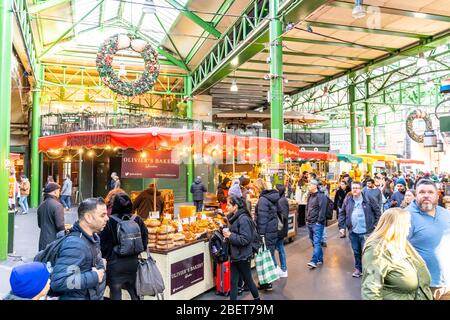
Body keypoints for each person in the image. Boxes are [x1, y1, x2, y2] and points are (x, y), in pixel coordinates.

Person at [361, 208, 433, 300]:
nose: (410, 226)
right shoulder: (377, 250)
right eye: (407, 223)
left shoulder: (401, 243)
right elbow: (370, 290)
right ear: (396, 226)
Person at [50, 197, 108, 300]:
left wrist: (99, 264)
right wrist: (94, 276)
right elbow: (59, 281)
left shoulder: (92, 238)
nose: (107, 218)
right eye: (103, 215)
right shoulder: (76, 244)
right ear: (88, 217)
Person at [407, 179, 450, 300]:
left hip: (447, 283)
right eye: (422, 192)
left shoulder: (445, 214)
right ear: (416, 195)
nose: (426, 195)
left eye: (430, 192)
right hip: (423, 286)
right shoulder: (406, 216)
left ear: (437, 196)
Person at [100, 192, 148, 300]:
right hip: (133, 262)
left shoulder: (110, 220)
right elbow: (144, 241)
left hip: (115, 264)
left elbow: (104, 244)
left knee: (116, 291)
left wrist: (108, 257)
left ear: (115, 205)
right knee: (134, 290)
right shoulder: (137, 219)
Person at [338, 181, 381, 278]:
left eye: (357, 188)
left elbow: (378, 212)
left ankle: (369, 270)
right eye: (353, 187)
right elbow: (342, 213)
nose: (355, 189)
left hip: (367, 232)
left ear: (361, 189)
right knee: (356, 251)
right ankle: (358, 269)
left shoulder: (369, 199)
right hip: (353, 232)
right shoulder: (348, 200)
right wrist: (342, 227)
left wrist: (375, 225)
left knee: (366, 252)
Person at [222, 195, 260, 301]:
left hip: (243, 256)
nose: (227, 207)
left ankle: (257, 299)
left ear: (235, 206)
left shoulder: (243, 219)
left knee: (248, 280)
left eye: (229, 205)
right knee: (233, 282)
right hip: (235, 254)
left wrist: (230, 235)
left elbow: (245, 239)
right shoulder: (234, 217)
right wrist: (227, 236)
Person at [255, 182, 280, 290]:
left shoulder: (262, 200)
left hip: (266, 232)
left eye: (254, 188)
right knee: (269, 254)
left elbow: (262, 218)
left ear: (258, 188)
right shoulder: (271, 198)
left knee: (265, 256)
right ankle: (266, 281)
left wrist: (261, 234)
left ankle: (267, 282)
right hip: (272, 230)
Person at [305, 179, 327, 269]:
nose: (308, 186)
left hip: (317, 224)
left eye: (310, 185)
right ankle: (320, 259)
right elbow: (308, 208)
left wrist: (319, 221)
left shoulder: (321, 196)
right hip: (310, 222)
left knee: (317, 242)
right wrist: (307, 219)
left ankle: (314, 261)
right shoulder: (310, 195)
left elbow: (322, 210)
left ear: (315, 186)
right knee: (314, 242)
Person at [37, 182, 65, 251]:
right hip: (54, 242)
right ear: (55, 192)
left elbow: (40, 225)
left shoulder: (41, 205)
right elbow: (60, 226)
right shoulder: (58, 205)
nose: (59, 193)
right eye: (59, 191)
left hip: (42, 241)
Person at [274, 184, 289, 278]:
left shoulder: (282, 200)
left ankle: (283, 269)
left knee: (280, 248)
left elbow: (283, 215)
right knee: (280, 248)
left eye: (275, 190)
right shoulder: (281, 199)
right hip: (280, 228)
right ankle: (282, 269)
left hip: (280, 229)